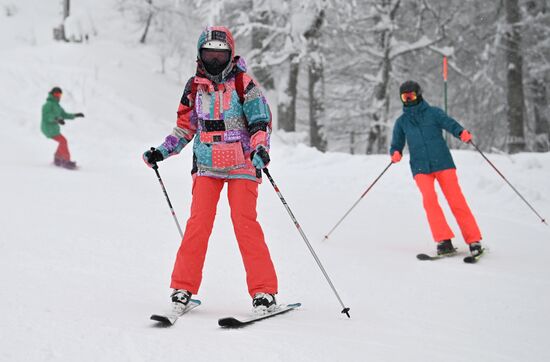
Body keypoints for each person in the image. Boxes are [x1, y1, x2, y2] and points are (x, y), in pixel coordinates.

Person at [143, 26, 278, 313]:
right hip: (206, 164)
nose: (215, 60)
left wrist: (260, 148)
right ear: (200, 54)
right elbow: (185, 127)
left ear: (230, 54)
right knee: (198, 225)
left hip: (242, 163)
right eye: (209, 54)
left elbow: (260, 122)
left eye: (221, 54)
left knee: (245, 224)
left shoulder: (244, 83)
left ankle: (264, 292)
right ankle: (183, 288)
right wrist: (162, 151)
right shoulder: (194, 87)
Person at [389, 80, 483, 257]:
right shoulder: (401, 122)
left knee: (456, 200)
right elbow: (396, 143)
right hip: (420, 167)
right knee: (430, 201)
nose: (409, 99)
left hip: (443, 163)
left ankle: (474, 240)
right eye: (405, 97)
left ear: (419, 94)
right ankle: (444, 240)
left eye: (411, 95)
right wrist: (395, 152)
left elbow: (450, 124)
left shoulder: (433, 113)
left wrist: (461, 132)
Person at [41, 87, 85, 169]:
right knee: (63, 141)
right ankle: (65, 161)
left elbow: (64, 115)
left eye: (59, 94)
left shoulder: (57, 106)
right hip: (47, 128)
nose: (58, 96)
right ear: (52, 94)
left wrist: (75, 115)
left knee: (62, 141)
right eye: (56, 94)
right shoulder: (48, 104)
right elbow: (47, 116)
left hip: (53, 128)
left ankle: (57, 158)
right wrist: (56, 119)